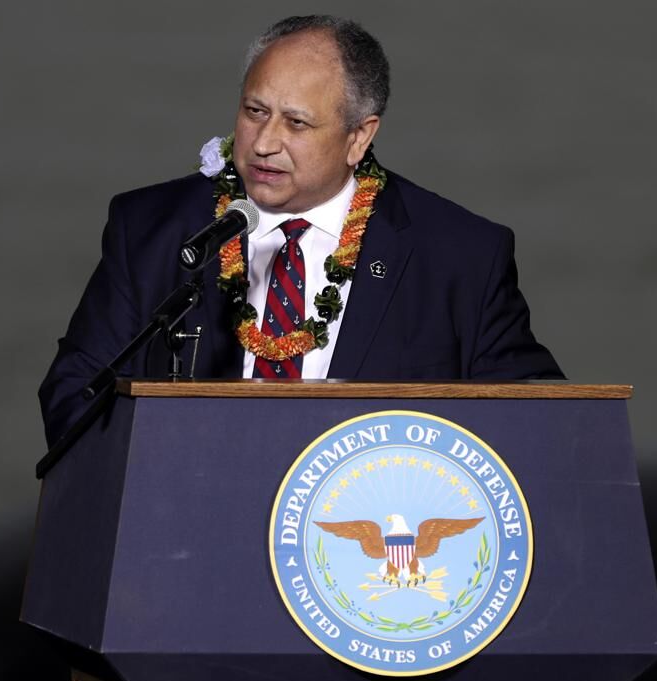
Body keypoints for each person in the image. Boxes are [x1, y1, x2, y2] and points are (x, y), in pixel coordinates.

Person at [39, 15, 562, 446]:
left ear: (359, 137)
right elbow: (73, 392)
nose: (265, 143)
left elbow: (540, 424)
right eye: (255, 112)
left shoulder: (459, 256)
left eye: (296, 123)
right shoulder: (154, 230)